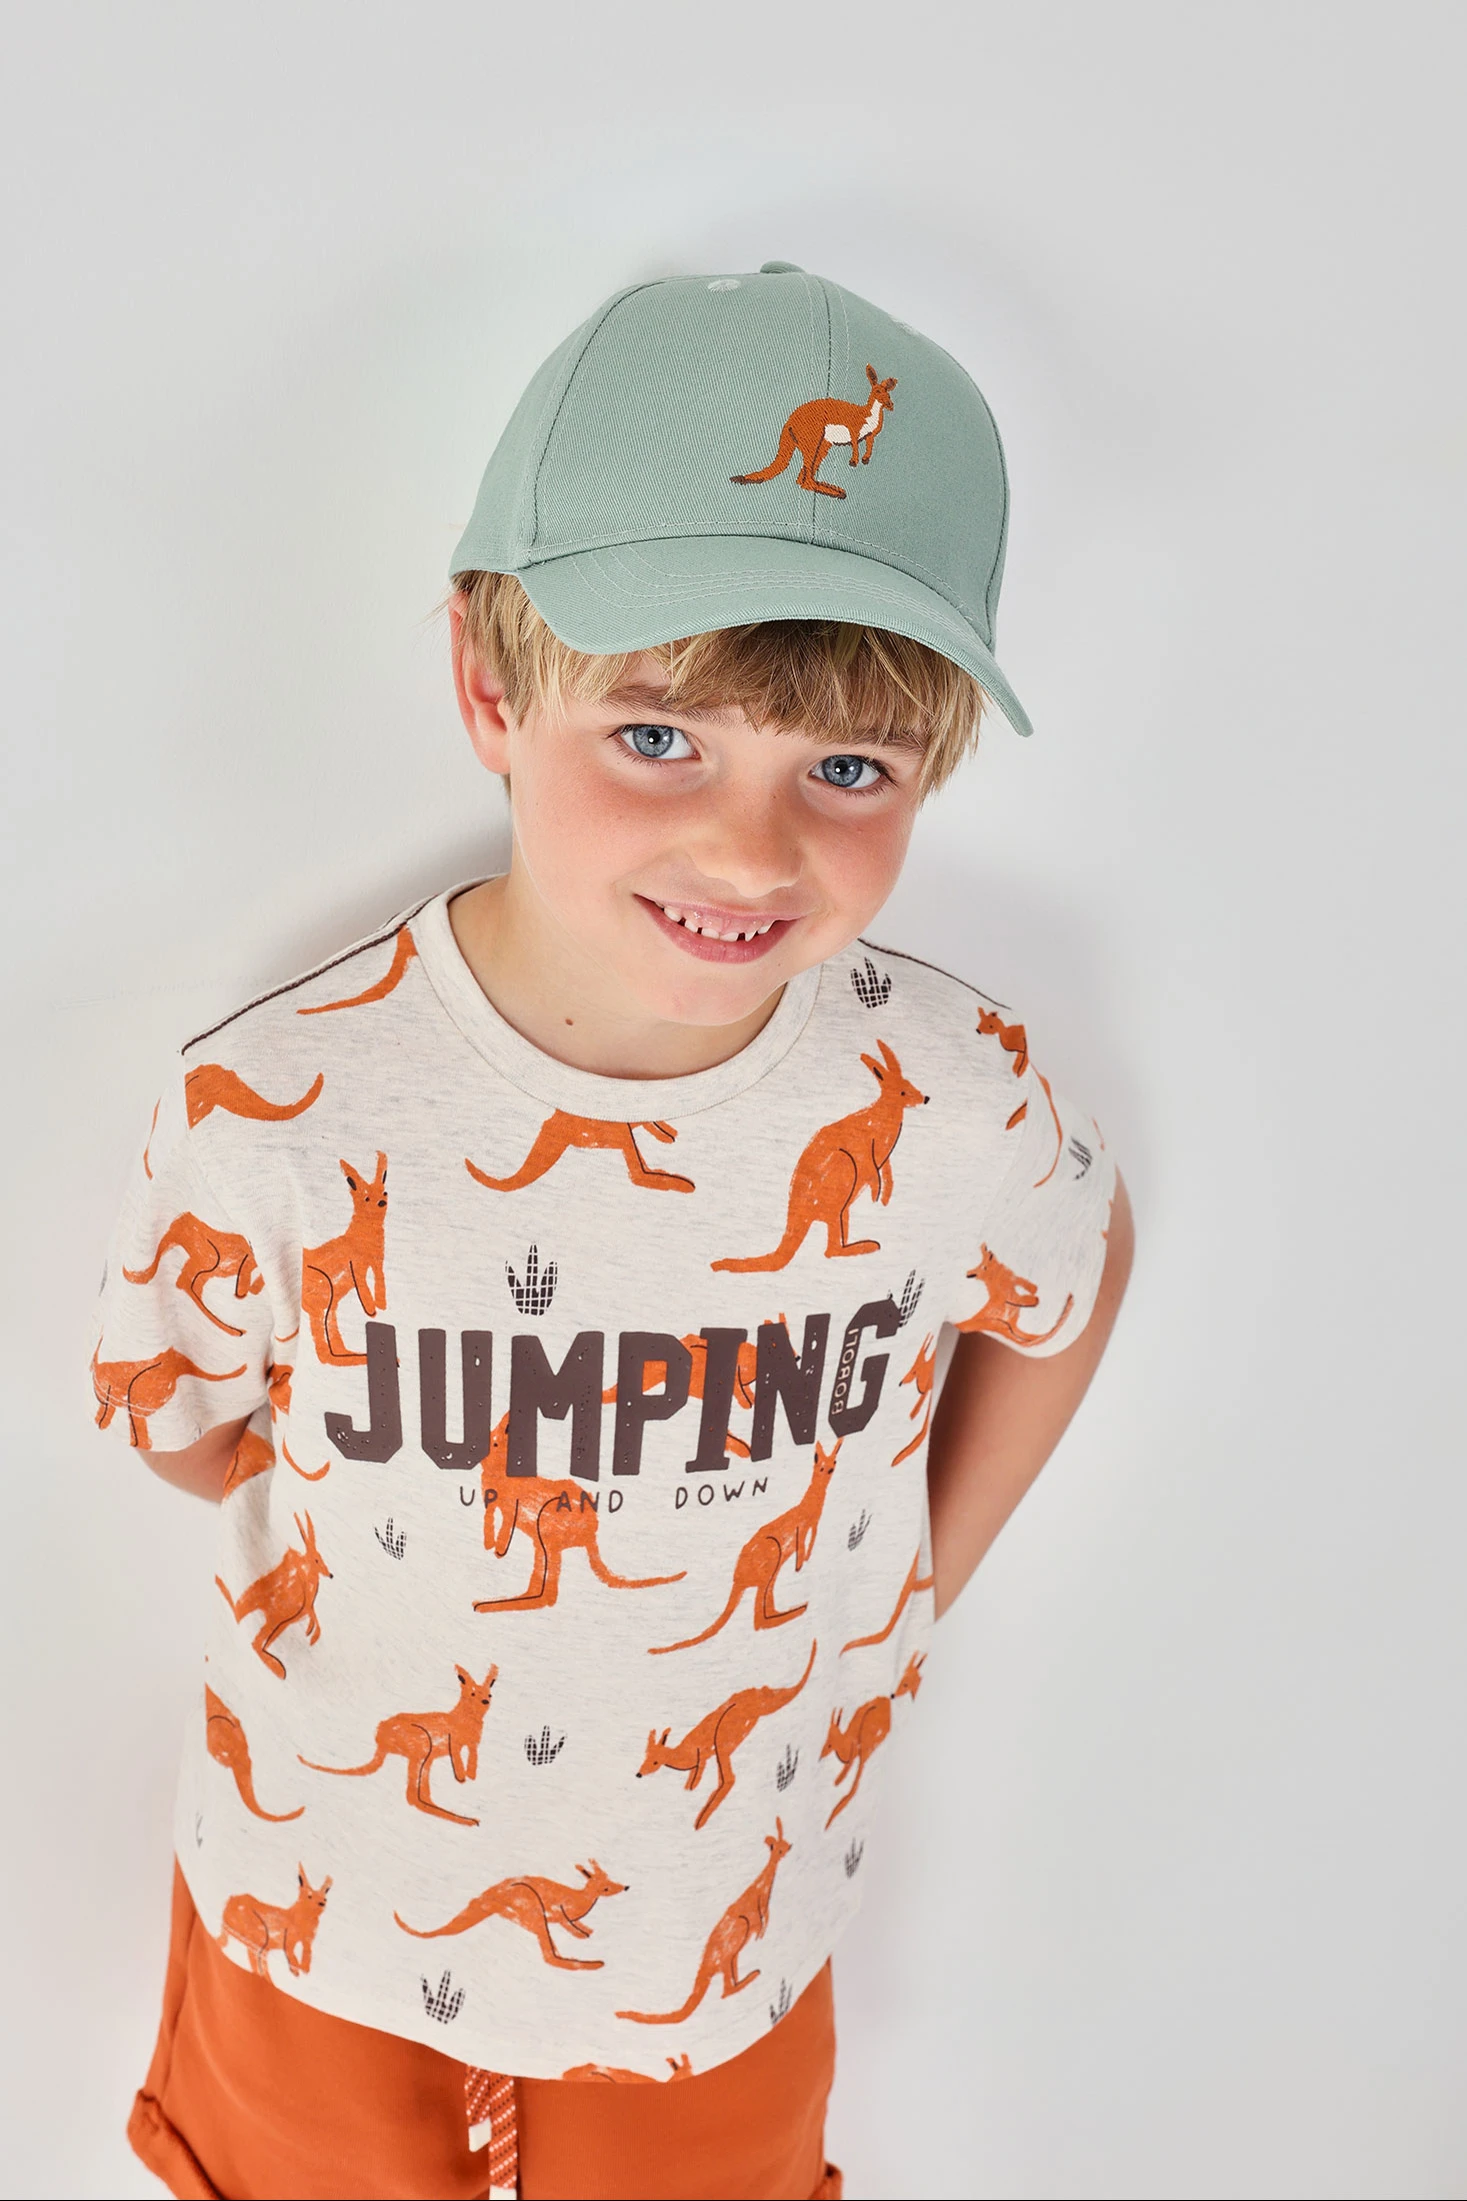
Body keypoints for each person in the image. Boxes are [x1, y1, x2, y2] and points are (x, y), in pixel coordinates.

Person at [93, 260, 1133, 2201]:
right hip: (321, 1884)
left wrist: (918, 1574)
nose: (750, 848)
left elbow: (1069, 1272)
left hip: (714, 1909)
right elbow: (171, 1406)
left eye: (847, 767)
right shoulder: (280, 1103)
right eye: (660, 735)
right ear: (495, 689)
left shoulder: (961, 1098)